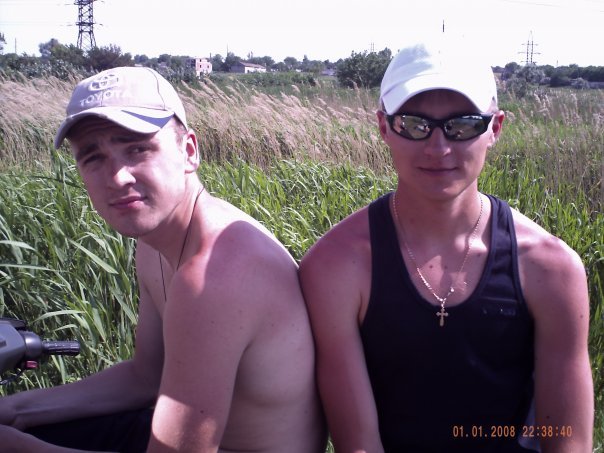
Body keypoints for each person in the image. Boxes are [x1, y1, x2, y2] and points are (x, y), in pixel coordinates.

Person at [0, 66, 326, 452]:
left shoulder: (219, 271)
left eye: (137, 148)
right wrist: (14, 411)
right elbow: (147, 377)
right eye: (93, 157)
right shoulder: (156, 243)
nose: (117, 177)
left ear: (189, 151)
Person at [299, 40, 594, 453]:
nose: (438, 148)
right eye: (414, 125)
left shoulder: (551, 268)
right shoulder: (337, 265)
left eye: (463, 125)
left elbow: (566, 440)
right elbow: (359, 443)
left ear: (495, 129)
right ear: (383, 127)